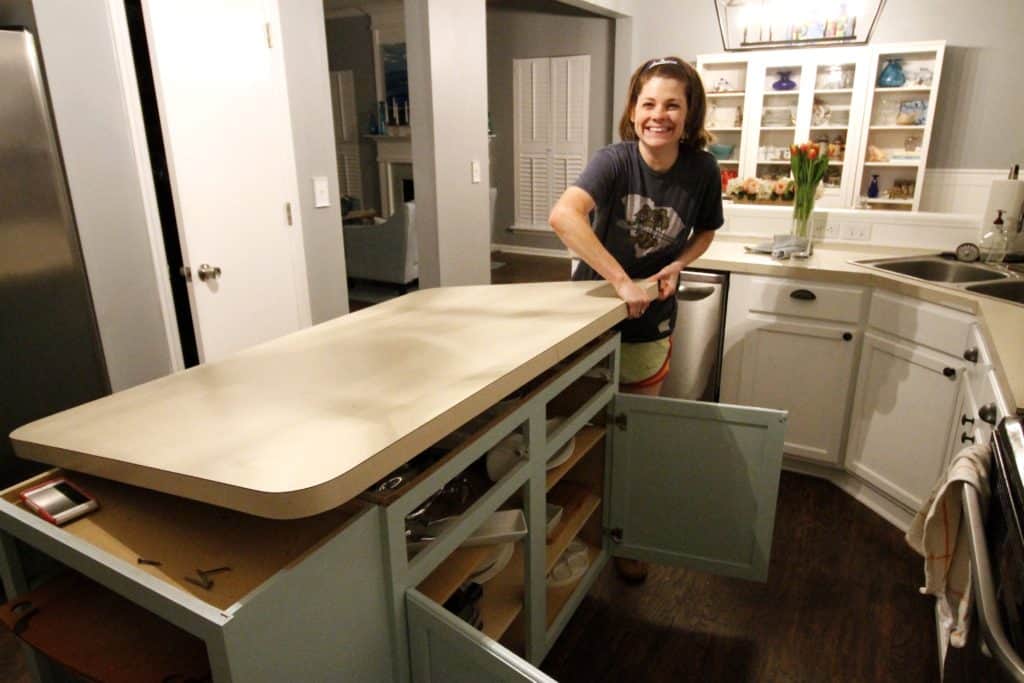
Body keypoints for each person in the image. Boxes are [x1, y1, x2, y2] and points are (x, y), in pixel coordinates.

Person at [548, 56, 724, 583]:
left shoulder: (702, 169)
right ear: (633, 110)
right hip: (592, 319)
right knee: (579, 430)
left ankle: (625, 536)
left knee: (635, 434)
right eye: (648, 103)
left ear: (689, 114)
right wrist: (620, 280)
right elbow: (564, 215)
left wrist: (677, 263)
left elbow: (706, 231)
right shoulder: (615, 161)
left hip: (652, 324)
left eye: (673, 104)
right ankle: (571, 532)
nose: (659, 115)